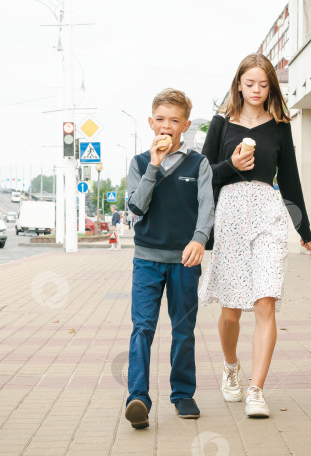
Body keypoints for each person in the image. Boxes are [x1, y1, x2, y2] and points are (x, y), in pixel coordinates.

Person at [198, 54, 311, 418]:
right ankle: (231, 367)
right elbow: (203, 176)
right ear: (238, 84)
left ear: (271, 88)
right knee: (231, 312)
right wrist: (231, 166)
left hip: (267, 214)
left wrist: (304, 229)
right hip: (230, 216)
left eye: (263, 85)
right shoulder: (221, 125)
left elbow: (291, 179)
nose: (256, 91)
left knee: (266, 300)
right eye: (250, 84)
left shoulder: (280, 126)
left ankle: (257, 389)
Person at [123, 88, 214, 429]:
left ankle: (182, 394)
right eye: (160, 120)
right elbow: (136, 206)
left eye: (174, 121)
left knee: (183, 329)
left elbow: (207, 206)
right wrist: (155, 166)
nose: (166, 126)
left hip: (185, 261)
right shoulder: (140, 163)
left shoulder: (198, 163)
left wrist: (200, 239)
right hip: (146, 260)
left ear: (185, 125)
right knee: (142, 328)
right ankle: (138, 398)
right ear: (151, 122)